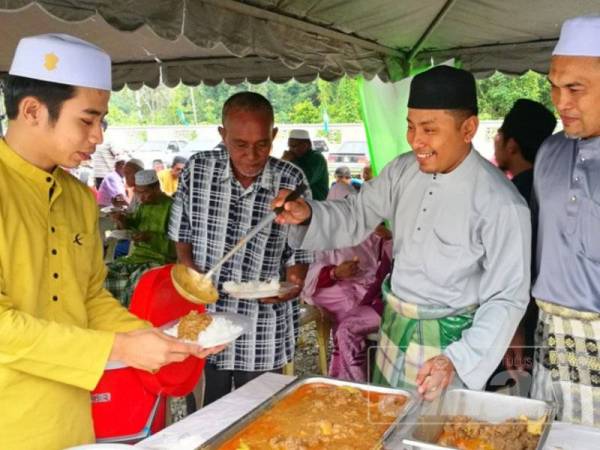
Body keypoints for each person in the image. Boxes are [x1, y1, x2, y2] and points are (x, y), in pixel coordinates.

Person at [0, 34, 219, 450]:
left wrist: (163, 341)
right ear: (31, 110)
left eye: (103, 121)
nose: (98, 136)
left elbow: (89, 298)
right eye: (87, 120)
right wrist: (120, 347)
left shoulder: (79, 199)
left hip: (71, 417)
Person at [274, 65, 531, 400]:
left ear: (468, 128)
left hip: (451, 344)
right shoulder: (402, 170)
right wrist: (308, 214)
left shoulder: (502, 204)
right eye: (410, 127)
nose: (416, 141)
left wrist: (458, 359)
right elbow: (356, 212)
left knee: (435, 435)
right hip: (395, 327)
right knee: (387, 420)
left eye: (429, 129)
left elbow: (507, 296)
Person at [169, 92, 313, 407]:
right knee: (205, 417)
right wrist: (192, 275)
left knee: (259, 418)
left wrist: (292, 285)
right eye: (240, 145)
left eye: (262, 144)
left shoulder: (291, 179)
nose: (251, 156)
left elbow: (300, 254)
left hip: (262, 329)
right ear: (223, 135)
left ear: (274, 136)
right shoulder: (198, 169)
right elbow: (182, 233)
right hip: (207, 328)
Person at [530, 16, 600, 426]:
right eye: (555, 86)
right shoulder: (550, 152)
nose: (560, 101)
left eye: (575, 88)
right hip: (550, 337)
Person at [488, 99, 556, 390]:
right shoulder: (549, 190)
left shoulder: (512, 196)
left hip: (515, 320)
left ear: (512, 145)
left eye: (499, 135)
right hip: (540, 317)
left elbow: (513, 266)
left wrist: (513, 325)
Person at [302, 182, 392, 381]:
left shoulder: (369, 232)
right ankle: (351, 380)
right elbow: (307, 274)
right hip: (336, 289)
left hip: (372, 294)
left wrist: (388, 238)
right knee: (344, 307)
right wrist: (335, 273)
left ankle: (349, 381)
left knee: (347, 324)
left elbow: (391, 263)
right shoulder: (320, 234)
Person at [106, 170, 176, 307]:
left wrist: (150, 237)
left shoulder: (172, 207)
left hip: (159, 260)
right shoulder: (142, 206)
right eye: (138, 193)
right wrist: (122, 220)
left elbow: (177, 245)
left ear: (157, 188)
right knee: (102, 275)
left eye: (145, 193)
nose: (141, 198)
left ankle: (131, 320)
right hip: (136, 258)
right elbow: (132, 227)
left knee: (134, 284)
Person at [282, 129, 329, 200]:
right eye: (289, 147)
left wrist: (292, 161)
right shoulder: (297, 157)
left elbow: (305, 179)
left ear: (306, 145)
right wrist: (283, 163)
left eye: (293, 147)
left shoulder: (317, 158)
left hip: (315, 204)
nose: (290, 150)